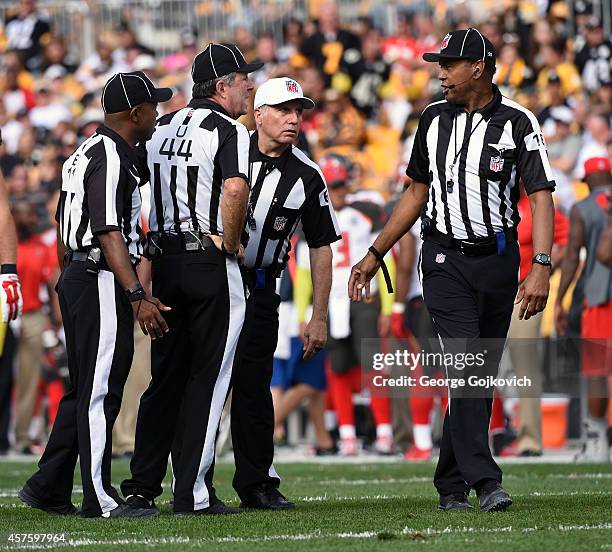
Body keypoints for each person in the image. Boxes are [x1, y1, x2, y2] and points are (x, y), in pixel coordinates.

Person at [348, 28, 555, 512]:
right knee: (468, 365)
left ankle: (449, 483)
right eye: (438, 63)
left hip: (499, 261)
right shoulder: (432, 119)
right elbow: (416, 193)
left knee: (476, 374)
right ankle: (485, 481)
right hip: (443, 259)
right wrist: (376, 252)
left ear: (478, 68)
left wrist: (541, 264)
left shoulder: (518, 123)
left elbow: (541, 195)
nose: (440, 72)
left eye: (449, 63)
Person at [19, 71, 172, 518]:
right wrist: (135, 293)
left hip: (81, 274)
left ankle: (47, 484)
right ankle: (100, 498)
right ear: (135, 112)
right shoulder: (109, 152)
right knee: (100, 389)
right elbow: (107, 228)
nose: (157, 112)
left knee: (85, 386)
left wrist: (73, 277)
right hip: (99, 275)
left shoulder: (88, 148)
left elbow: (64, 220)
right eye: (153, 106)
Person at [121, 43, 260, 516]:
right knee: (209, 378)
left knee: (165, 379)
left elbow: (136, 191)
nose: (251, 86)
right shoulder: (230, 129)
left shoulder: (159, 125)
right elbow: (235, 186)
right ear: (222, 85)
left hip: (164, 260)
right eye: (244, 79)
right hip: (207, 259)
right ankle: (193, 492)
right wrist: (231, 238)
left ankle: (141, 487)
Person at [231, 77, 340, 509]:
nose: (294, 119)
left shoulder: (308, 174)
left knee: (256, 390)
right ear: (258, 113)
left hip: (261, 288)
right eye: (284, 110)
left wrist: (319, 315)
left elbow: (321, 246)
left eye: (299, 111)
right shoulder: (228, 150)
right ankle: (186, 483)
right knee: (199, 385)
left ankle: (257, 482)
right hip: (216, 286)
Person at [555, 156, 612, 463]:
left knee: (597, 371)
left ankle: (597, 440)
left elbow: (572, 257)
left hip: (599, 296)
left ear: (587, 180)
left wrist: (562, 299)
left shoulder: (582, 208)